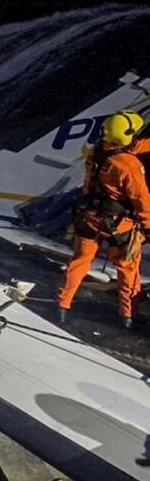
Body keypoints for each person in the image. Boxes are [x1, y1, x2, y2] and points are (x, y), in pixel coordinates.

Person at [56, 110, 150, 329]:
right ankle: (128, 316)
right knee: (127, 268)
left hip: (88, 217)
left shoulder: (97, 151)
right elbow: (141, 199)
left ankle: (62, 304)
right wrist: (148, 226)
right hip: (119, 225)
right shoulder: (129, 165)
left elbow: (129, 147)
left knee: (80, 261)